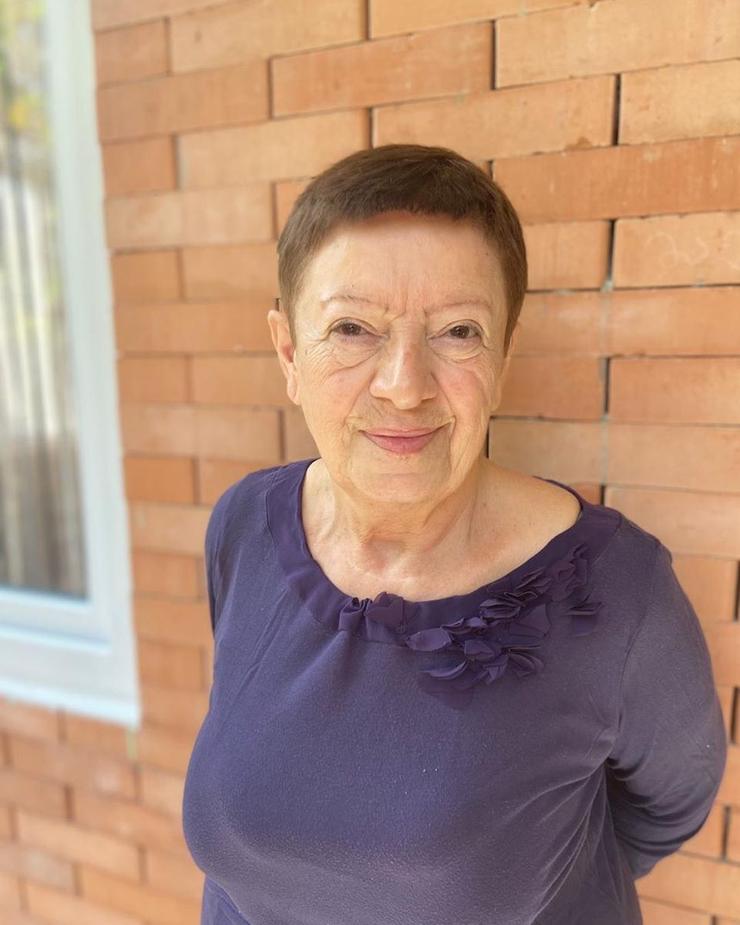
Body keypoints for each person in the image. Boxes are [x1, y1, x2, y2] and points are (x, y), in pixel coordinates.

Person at [182, 143, 727, 925]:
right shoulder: (245, 526)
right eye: (352, 328)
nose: (404, 385)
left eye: (458, 331)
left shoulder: (617, 593)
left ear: (503, 354)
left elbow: (665, 807)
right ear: (289, 351)